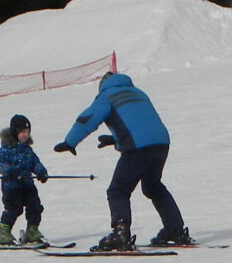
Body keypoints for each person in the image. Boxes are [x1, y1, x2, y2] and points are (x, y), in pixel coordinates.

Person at [54, 72, 192, 252]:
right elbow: (141, 122)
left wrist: (70, 142)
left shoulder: (107, 96)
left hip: (137, 148)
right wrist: (116, 139)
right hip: (161, 144)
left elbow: (88, 118)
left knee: (118, 190)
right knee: (153, 186)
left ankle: (121, 234)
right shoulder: (138, 93)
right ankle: (175, 229)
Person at [0, 114, 50, 245]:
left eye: (28, 132)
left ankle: (32, 231)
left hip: (27, 184)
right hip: (12, 186)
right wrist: (9, 171)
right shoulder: (6, 149)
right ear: (15, 132)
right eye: (22, 132)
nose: (25, 135)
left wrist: (41, 172)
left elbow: (35, 162)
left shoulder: (27, 149)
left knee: (35, 206)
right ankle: (4, 232)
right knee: (14, 209)